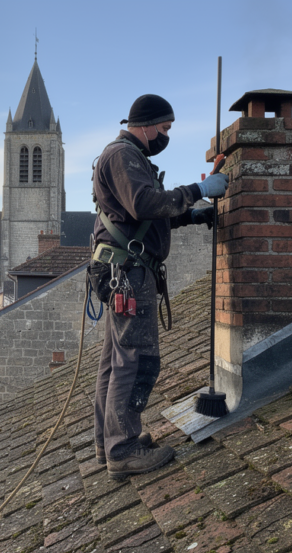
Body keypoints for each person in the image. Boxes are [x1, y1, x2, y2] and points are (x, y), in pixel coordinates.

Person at [90, 94, 228, 480]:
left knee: (115, 361)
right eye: (164, 128)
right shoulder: (123, 155)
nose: (166, 136)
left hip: (121, 269)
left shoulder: (127, 156)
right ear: (147, 125)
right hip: (127, 273)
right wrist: (199, 189)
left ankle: (107, 443)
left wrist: (191, 216)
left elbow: (145, 218)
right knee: (136, 359)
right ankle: (123, 449)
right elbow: (144, 203)